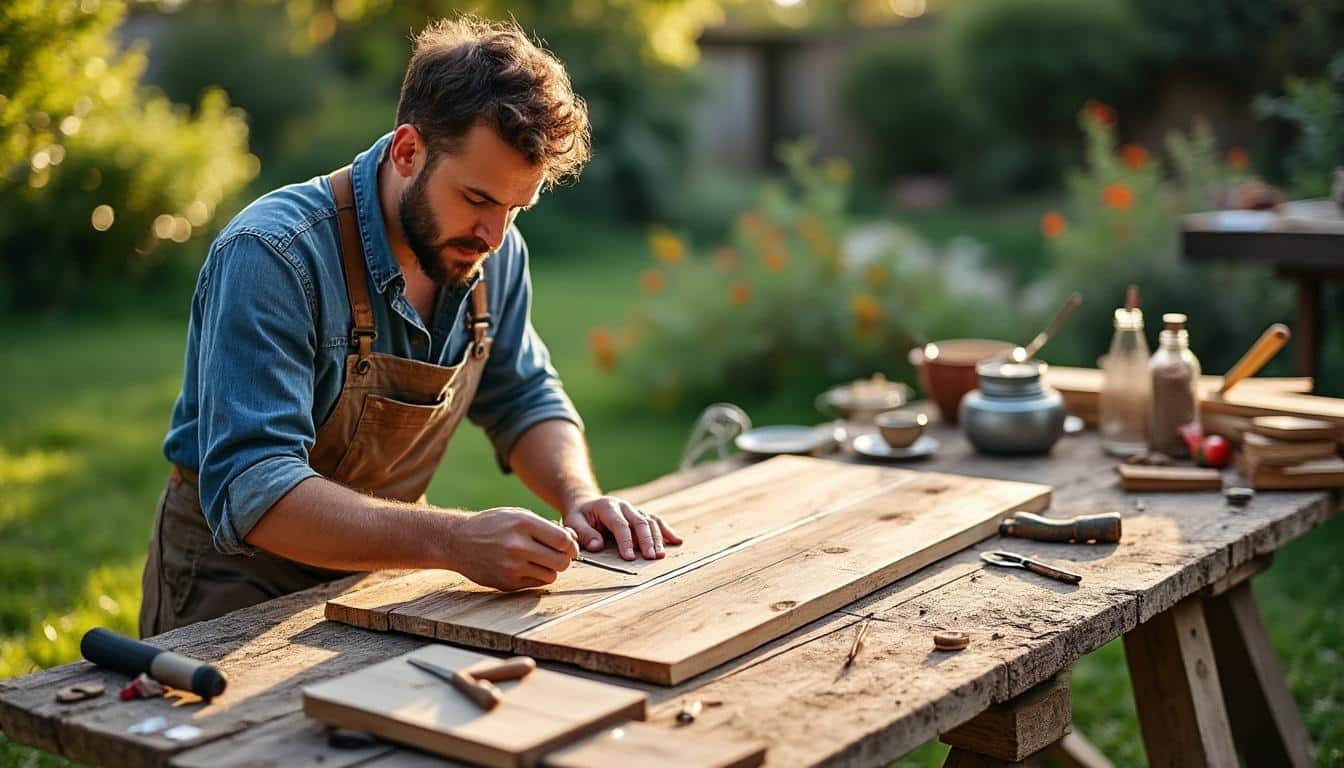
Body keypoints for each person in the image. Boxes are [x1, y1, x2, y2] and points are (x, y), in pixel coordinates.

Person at [139, 16, 681, 637]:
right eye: (477, 199)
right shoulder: (274, 255)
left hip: (387, 568)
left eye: (515, 208)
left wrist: (578, 496)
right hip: (236, 580)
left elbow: (523, 395)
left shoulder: (493, 250)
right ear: (406, 150)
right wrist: (453, 539)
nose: (495, 235)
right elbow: (256, 489)